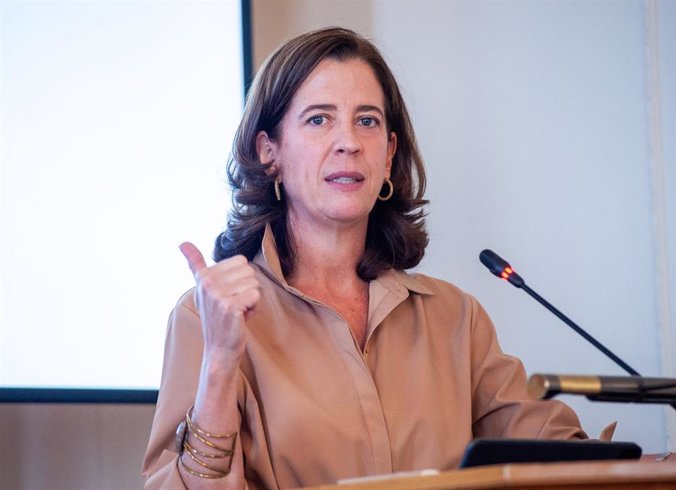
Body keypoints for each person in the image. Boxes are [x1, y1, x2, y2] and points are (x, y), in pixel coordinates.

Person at [142, 27, 586, 489]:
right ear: (268, 151)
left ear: (389, 154)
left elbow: (560, 455)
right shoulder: (206, 318)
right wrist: (218, 363)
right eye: (319, 120)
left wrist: (660, 464)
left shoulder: (456, 319)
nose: (348, 142)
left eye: (367, 121)